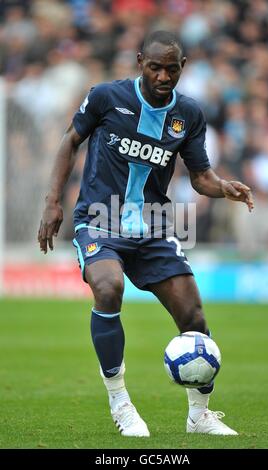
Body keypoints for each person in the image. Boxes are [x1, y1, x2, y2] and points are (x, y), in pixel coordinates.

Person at [38, 31, 254, 437]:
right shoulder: (105, 97)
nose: (163, 76)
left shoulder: (188, 114)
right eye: (155, 67)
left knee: (193, 315)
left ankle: (200, 415)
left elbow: (201, 176)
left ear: (182, 68)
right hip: (100, 220)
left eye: (171, 69)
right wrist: (52, 202)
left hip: (153, 227)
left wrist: (222, 186)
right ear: (140, 62)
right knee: (107, 287)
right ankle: (120, 402)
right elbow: (70, 142)